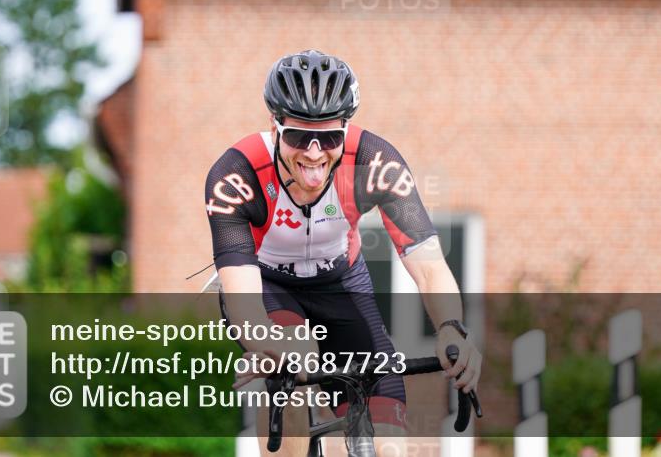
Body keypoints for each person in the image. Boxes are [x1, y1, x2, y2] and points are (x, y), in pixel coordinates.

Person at [206, 49, 482, 456]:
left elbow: (428, 265)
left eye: (330, 137)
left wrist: (451, 327)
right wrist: (262, 340)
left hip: (341, 284)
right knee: (294, 355)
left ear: (346, 130)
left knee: (389, 441)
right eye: (299, 137)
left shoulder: (374, 162)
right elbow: (243, 300)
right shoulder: (237, 174)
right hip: (268, 288)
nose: (315, 154)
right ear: (274, 126)